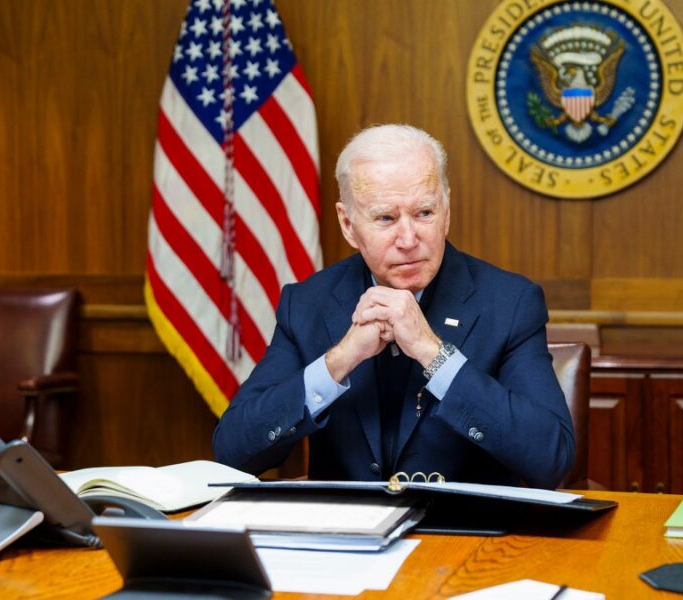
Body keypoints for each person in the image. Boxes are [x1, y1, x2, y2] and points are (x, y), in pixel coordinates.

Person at [212, 124, 574, 489]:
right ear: (348, 224)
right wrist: (339, 360)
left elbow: (551, 457)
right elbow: (232, 452)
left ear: (446, 211)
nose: (408, 239)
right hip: (348, 538)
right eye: (386, 218)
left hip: (467, 536)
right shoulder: (307, 303)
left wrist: (434, 354)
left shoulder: (509, 303)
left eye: (424, 214)